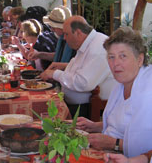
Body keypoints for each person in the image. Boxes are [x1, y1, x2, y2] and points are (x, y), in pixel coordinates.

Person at [76, 27, 152, 157]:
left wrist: (114, 143)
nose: (116, 63)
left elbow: (145, 146)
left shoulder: (148, 92)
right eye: (111, 57)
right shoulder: (121, 85)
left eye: (123, 56)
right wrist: (95, 126)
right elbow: (122, 125)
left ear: (139, 60)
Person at [40, 16, 117, 118]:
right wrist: (63, 66)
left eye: (66, 34)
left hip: (87, 109)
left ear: (78, 33)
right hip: (77, 105)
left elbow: (83, 83)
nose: (65, 38)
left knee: (44, 115)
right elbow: (85, 67)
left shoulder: (98, 49)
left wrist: (54, 74)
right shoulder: (89, 42)